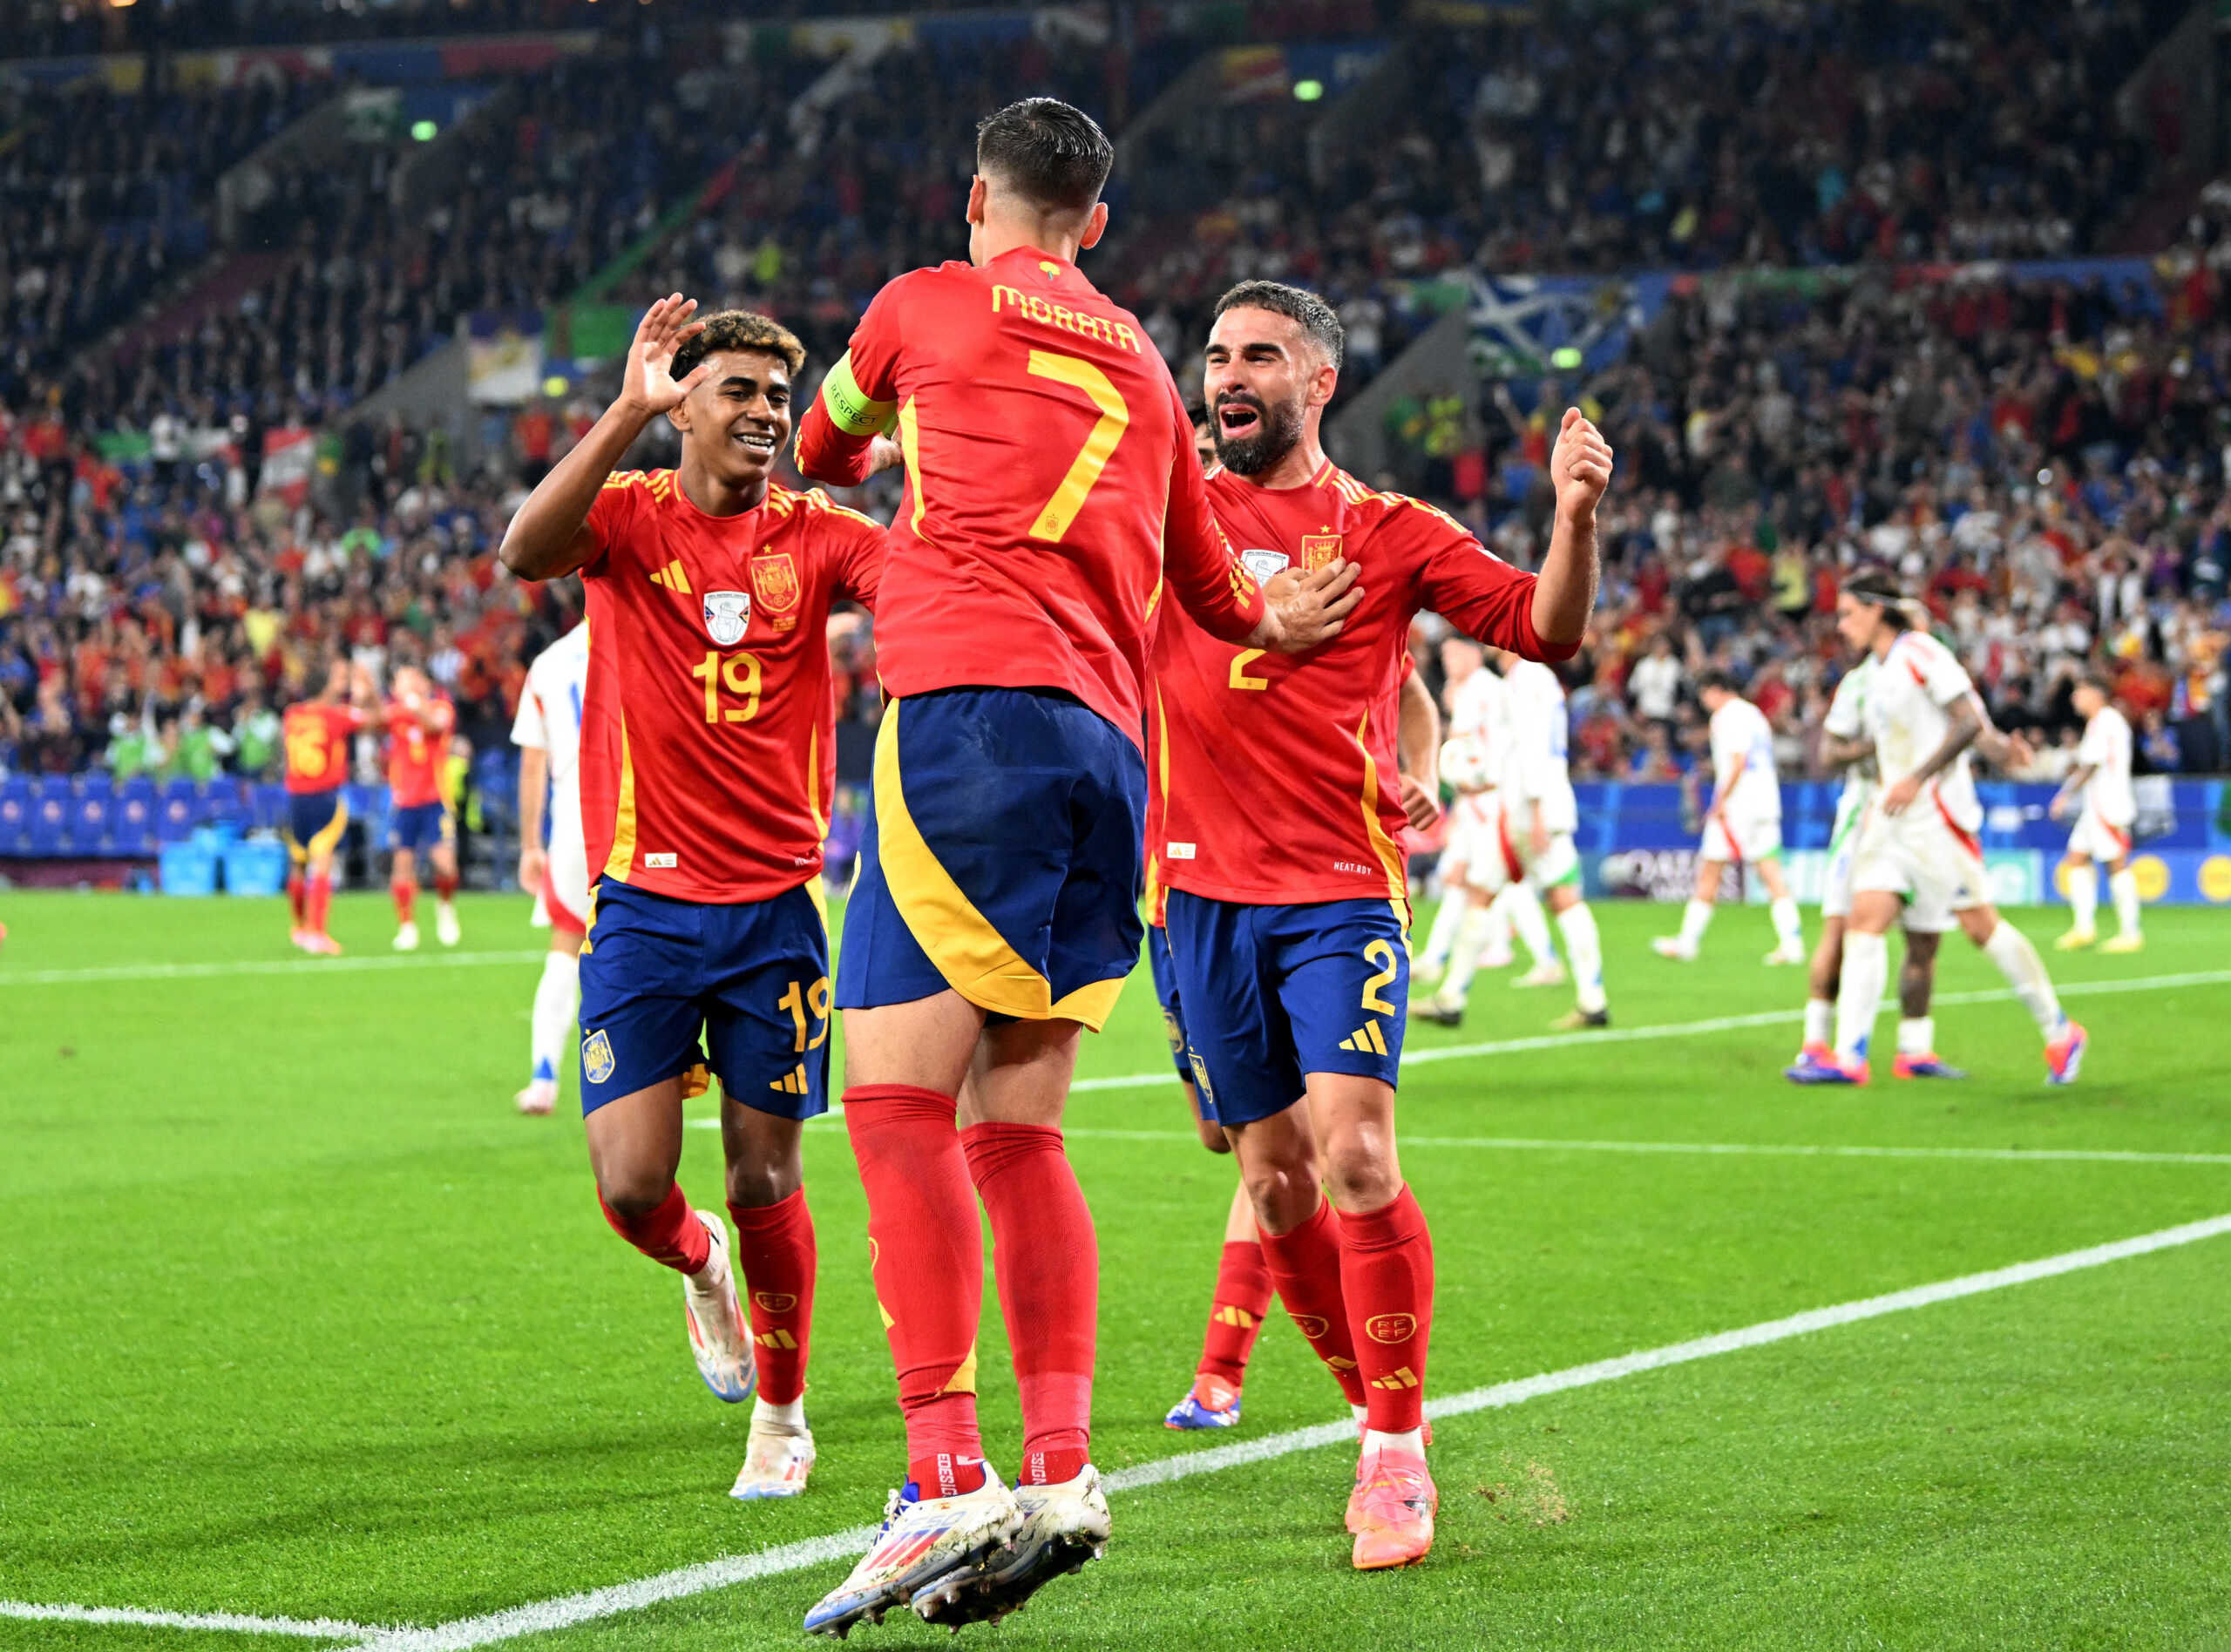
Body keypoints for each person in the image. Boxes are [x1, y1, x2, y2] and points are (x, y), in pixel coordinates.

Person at [792, 103, 1357, 1634]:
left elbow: (815, 446)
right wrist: (1287, 621)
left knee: (897, 1101)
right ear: (1096, 224)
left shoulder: (922, 299)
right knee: (1018, 1132)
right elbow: (1221, 596)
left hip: (967, 719)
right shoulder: (1151, 370)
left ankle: (944, 1474)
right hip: (1110, 756)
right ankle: (1057, 1470)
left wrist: (899, 421)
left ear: (977, 197)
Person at [1155, 281, 1605, 1571]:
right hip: (1193, 899)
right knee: (1272, 1178)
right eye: (1218, 355)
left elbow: (1545, 628)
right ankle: (1373, 1405)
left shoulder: (1385, 529)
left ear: (1320, 383)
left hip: (1338, 891)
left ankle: (1395, 1455)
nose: (1229, 375)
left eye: (1261, 357)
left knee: (1354, 1155)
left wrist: (1574, 518)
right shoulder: (1161, 508)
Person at [498, 301, 888, 1503]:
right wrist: (624, 411)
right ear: (685, 403)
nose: (766, 413)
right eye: (739, 391)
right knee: (629, 1186)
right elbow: (521, 551)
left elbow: (921, 584)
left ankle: (782, 1415)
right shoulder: (625, 521)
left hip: (774, 912)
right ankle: (699, 1266)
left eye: (780, 396)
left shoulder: (819, 535)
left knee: (766, 1177)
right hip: (645, 908)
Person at [1159, 653, 1442, 1434]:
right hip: (1176, 900)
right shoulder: (1157, 574)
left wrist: (1425, 772)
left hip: (1317, 885)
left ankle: (1252, 1380)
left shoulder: (1332, 566)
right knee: (1233, 1145)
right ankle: (1367, 1399)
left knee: (1340, 1151)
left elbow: (1411, 691)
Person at [1787, 573, 2086, 1086]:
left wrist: (1920, 777)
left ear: (1876, 611)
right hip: (1891, 816)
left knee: (1979, 927)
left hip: (1939, 816)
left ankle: (2060, 1030)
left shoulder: (1919, 652)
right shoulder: (1876, 671)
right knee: (1865, 920)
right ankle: (1851, 1057)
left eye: (1848, 613)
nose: (1841, 625)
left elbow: (1969, 721)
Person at [1421, 648, 1609, 1031]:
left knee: (1559, 898)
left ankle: (1592, 1000)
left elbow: (1533, 747)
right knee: (1487, 893)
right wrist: (1490, 781)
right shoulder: (1532, 679)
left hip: (1529, 809)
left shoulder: (1527, 680)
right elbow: (1519, 750)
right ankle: (1451, 997)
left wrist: (1537, 809)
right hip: (1524, 804)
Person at [1652, 671, 1805, 965]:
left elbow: (1739, 761)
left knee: (1710, 870)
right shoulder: (1755, 715)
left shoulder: (1727, 716)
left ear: (1714, 690)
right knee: (1771, 872)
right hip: (1765, 801)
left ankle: (1688, 942)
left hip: (1738, 805)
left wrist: (1720, 800)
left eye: (1704, 695)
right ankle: (1793, 943)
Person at [510, 620, 591, 1117]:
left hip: (573, 824)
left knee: (565, 943)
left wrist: (528, 845)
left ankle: (544, 1076)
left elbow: (532, 764)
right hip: (642, 813)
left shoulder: (548, 663)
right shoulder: (648, 632)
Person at [281, 658, 372, 956]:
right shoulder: (336, 717)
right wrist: (368, 692)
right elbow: (375, 721)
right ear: (325, 688)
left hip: (295, 797)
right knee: (322, 862)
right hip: (323, 797)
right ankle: (317, 932)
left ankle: (299, 928)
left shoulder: (291, 716)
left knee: (297, 863)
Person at [2051, 675, 2142, 952]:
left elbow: (2090, 765)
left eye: (2079, 692)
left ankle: (2130, 932)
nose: (2074, 698)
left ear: (2095, 694)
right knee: (2076, 859)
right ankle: (2084, 928)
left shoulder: (2105, 721)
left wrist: (2064, 795)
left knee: (2116, 863)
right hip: (2095, 807)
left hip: (2108, 806)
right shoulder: (2102, 722)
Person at [380, 663, 461, 952]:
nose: (408, 684)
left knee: (445, 865)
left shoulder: (441, 706)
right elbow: (375, 718)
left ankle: (445, 907)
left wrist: (412, 701)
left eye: (413, 678)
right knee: (402, 866)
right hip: (405, 802)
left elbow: (436, 725)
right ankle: (407, 927)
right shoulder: (397, 713)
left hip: (435, 800)